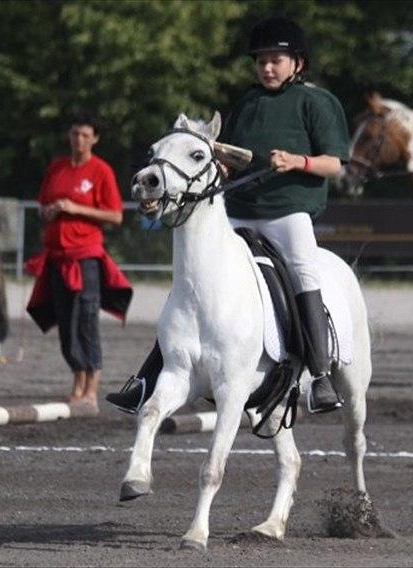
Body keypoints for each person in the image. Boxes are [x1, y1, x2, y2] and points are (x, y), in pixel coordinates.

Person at [107, 17, 350, 415]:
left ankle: (321, 376)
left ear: (297, 64)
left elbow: (334, 164)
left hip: (287, 213)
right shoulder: (247, 104)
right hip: (238, 212)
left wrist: (298, 161)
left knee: (304, 272)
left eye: (276, 60)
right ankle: (147, 378)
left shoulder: (317, 102)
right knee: (192, 279)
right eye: (261, 61)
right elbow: (226, 161)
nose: (267, 68)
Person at [26, 113, 132, 409]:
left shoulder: (101, 171)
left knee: (86, 320)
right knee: (65, 322)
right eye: (75, 134)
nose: (79, 140)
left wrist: (76, 208)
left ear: (95, 139)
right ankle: (76, 379)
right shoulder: (57, 168)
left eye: (86, 135)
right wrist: (48, 212)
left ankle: (91, 389)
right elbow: (42, 204)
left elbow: (115, 215)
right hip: (58, 258)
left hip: (85, 257)